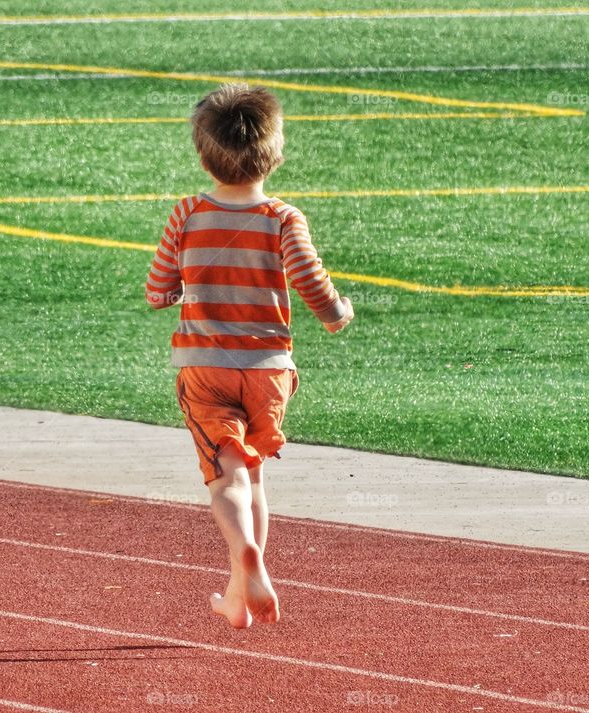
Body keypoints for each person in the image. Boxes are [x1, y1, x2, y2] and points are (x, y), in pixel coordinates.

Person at [145, 83, 354, 628]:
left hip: (205, 367)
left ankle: (243, 553)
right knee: (255, 475)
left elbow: (158, 291)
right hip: (269, 371)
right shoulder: (284, 218)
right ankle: (241, 591)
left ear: (202, 152)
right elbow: (311, 281)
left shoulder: (187, 214)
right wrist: (337, 314)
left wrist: (188, 289)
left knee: (226, 477)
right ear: (276, 153)